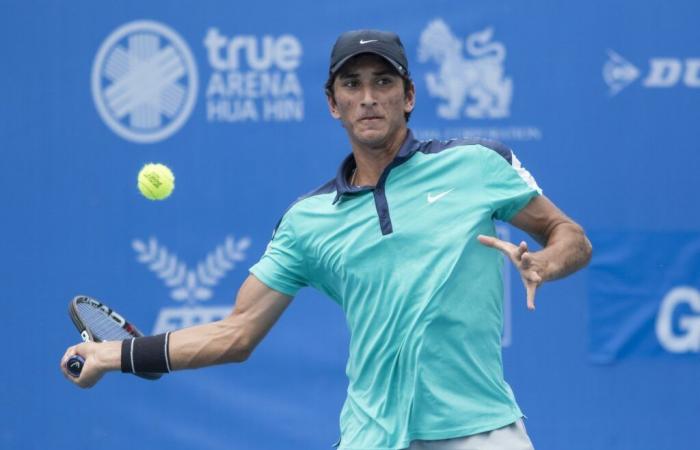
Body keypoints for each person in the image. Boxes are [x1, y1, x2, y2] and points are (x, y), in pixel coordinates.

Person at [61, 29, 592, 450]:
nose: (368, 98)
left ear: (409, 97)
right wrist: (116, 355)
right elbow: (236, 333)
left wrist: (545, 264)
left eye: (383, 83)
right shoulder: (308, 221)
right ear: (332, 103)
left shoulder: (476, 164)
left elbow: (569, 235)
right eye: (352, 85)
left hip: (482, 430)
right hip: (371, 438)